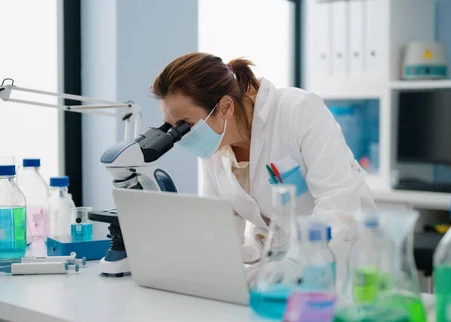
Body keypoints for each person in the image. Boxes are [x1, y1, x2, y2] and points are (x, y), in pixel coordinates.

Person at [152, 52, 376, 282]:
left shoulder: (299, 110)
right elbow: (218, 226)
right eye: (172, 127)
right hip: (280, 269)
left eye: (186, 126)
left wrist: (292, 265)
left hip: (345, 265)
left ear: (225, 107)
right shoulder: (214, 147)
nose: (181, 137)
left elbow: (338, 204)